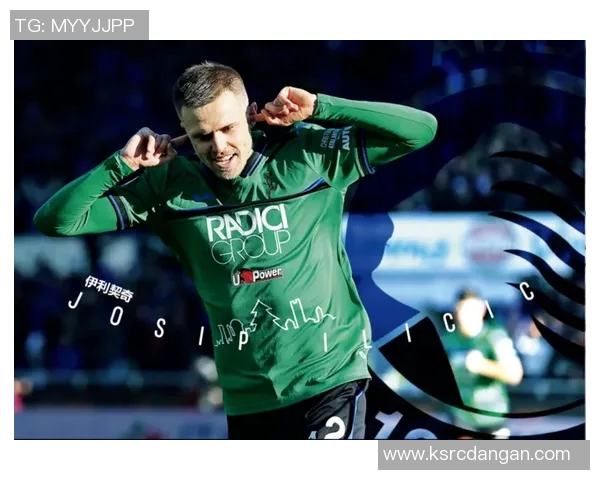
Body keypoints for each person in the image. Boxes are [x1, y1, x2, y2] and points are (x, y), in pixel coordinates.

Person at [33, 61, 438, 439]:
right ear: (183, 133)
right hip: (248, 401)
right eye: (202, 135)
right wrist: (121, 164)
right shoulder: (167, 188)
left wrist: (321, 107)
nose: (219, 146)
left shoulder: (308, 153)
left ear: (249, 114)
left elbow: (422, 129)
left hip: (330, 381)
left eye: (228, 127)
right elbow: (55, 221)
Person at [441, 289, 524, 439]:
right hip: (461, 417)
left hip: (492, 417)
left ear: (482, 309)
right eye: (462, 310)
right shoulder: (447, 341)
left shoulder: (495, 337)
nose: (465, 316)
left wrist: (483, 366)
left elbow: (515, 375)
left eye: (470, 310)